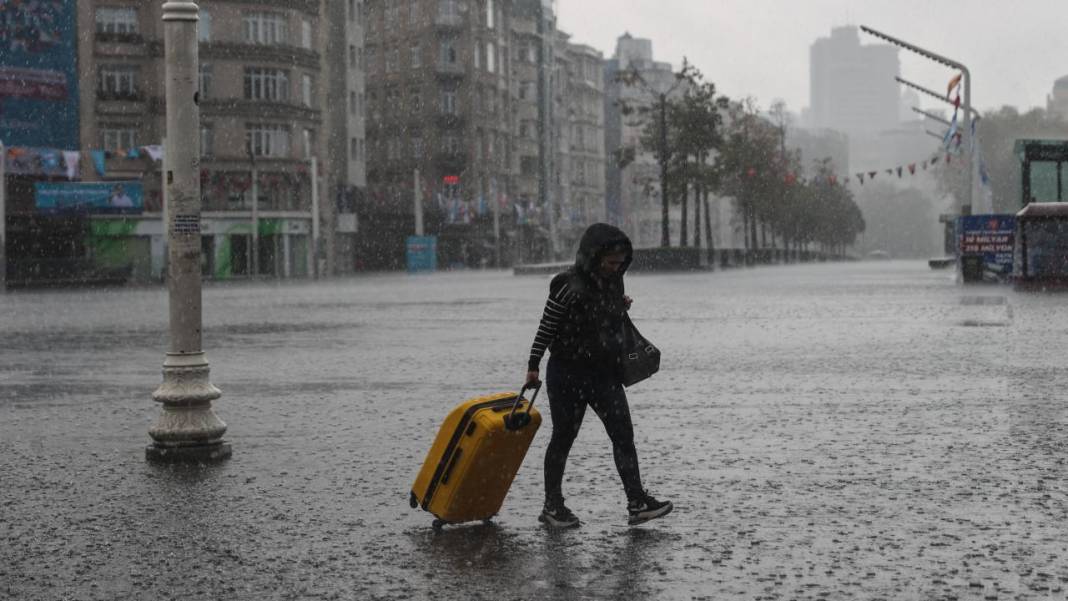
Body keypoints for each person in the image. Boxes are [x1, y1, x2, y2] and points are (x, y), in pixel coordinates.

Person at [526, 222, 672, 528]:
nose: (615, 268)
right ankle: (552, 506)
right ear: (593, 257)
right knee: (563, 438)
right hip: (567, 373)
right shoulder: (565, 284)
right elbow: (547, 326)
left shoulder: (613, 282)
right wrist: (533, 365)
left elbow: (604, 320)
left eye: (620, 264)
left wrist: (618, 306)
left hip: (604, 373)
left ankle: (637, 502)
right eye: (609, 263)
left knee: (623, 436)